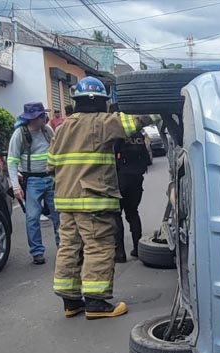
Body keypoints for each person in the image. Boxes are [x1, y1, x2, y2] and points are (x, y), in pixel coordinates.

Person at [48, 76, 128, 319]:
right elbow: (135, 122)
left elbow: (50, 164)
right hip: (93, 198)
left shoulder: (61, 128)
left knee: (69, 247)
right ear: (101, 101)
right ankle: (96, 303)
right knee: (99, 246)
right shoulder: (103, 123)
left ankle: (71, 302)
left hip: (65, 199)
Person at [7, 102, 60, 265]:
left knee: (59, 215)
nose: (45, 118)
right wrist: (15, 186)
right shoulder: (20, 134)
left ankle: (63, 248)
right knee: (32, 217)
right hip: (33, 181)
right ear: (32, 119)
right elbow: (12, 161)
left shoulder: (47, 130)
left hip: (51, 178)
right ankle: (37, 252)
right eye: (41, 116)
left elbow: (56, 151)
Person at [114, 114, 154, 262]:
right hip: (136, 179)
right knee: (133, 214)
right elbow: (146, 158)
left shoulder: (117, 135)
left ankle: (119, 253)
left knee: (117, 215)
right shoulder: (139, 135)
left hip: (120, 180)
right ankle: (137, 248)